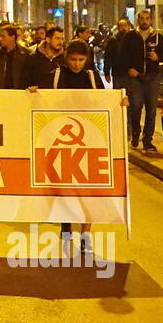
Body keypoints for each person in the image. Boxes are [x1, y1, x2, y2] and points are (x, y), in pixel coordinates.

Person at [27, 39, 113, 257]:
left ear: (87, 60)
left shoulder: (92, 77)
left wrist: (120, 104)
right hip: (61, 139)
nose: (76, 64)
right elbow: (43, 100)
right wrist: (34, 91)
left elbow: (105, 102)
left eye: (81, 60)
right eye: (73, 59)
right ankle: (66, 225)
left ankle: (86, 233)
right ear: (66, 58)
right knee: (65, 186)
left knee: (89, 190)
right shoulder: (56, 76)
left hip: (89, 139)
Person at [119, 9, 163, 153]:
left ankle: (148, 140)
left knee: (152, 109)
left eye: (147, 18)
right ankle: (136, 133)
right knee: (135, 107)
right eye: (141, 18)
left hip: (152, 77)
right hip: (136, 78)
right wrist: (129, 68)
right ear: (137, 20)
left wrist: (157, 57)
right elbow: (122, 56)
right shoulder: (130, 37)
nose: (144, 21)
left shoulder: (158, 37)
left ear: (151, 20)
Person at [103, 18, 132, 88]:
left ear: (128, 26)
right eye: (121, 26)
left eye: (125, 25)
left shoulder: (133, 39)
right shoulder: (113, 40)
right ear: (118, 27)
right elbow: (108, 57)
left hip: (131, 74)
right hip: (118, 74)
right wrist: (107, 72)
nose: (123, 28)